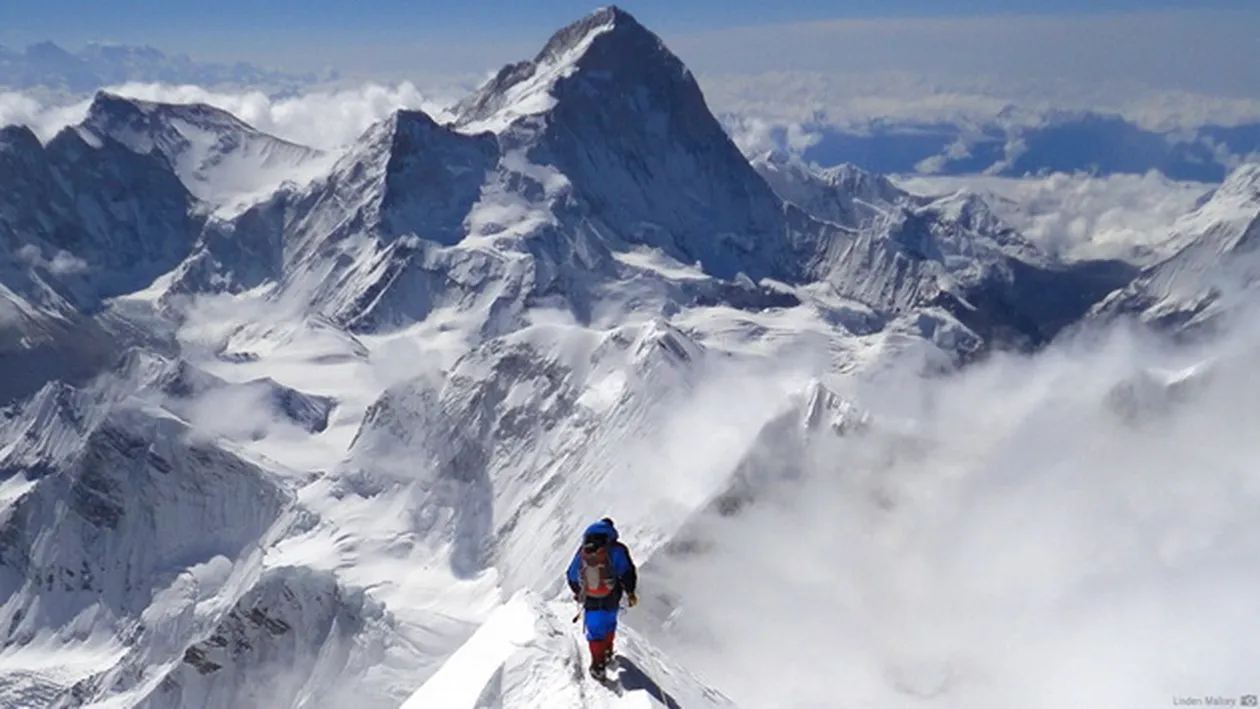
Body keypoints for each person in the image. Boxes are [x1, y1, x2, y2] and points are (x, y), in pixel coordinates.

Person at [566, 517, 637, 679]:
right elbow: (627, 572)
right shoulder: (617, 549)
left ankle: (598, 665)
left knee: (595, 630)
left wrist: (579, 592)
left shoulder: (583, 551)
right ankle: (608, 651)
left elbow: (571, 575)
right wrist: (631, 592)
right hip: (612, 595)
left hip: (590, 597)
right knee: (609, 623)